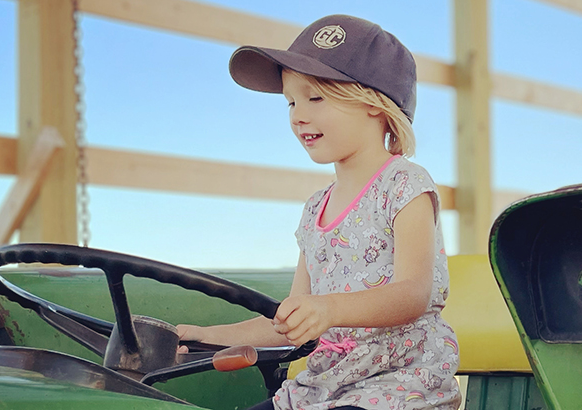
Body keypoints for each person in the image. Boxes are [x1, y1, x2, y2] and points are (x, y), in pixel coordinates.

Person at [175, 14, 461, 410]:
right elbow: (289, 323)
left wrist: (330, 309)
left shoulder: (405, 185)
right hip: (324, 389)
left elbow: (414, 293)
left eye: (315, 98)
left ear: (375, 103)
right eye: (291, 101)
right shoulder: (314, 211)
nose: (297, 115)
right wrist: (205, 335)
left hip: (399, 387)